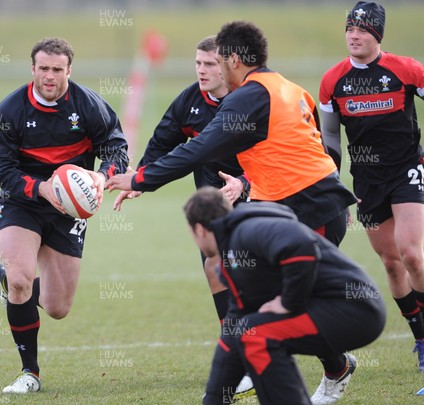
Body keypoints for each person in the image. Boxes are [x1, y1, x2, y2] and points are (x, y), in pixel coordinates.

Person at [106, 21, 359, 404]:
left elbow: (201, 148)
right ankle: (236, 384)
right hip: (284, 210)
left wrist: (139, 179)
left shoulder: (248, 96)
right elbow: (322, 147)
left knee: (287, 306)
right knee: (247, 293)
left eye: (218, 61)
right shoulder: (289, 88)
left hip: (311, 209)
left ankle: (330, 368)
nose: (214, 69)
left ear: (234, 60)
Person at [113, 35, 254, 399]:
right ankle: (241, 355)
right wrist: (139, 179)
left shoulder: (250, 100)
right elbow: (162, 143)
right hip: (212, 206)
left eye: (210, 64)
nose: (202, 71)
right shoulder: (189, 101)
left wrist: (243, 182)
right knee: (215, 268)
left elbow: (278, 152)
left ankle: (320, 348)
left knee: (255, 275)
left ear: (228, 65)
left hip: (262, 195)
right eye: (198, 63)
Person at [0, 37, 129, 394]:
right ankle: (29, 373)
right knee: (22, 279)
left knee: (57, 307)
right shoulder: (10, 111)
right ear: (32, 69)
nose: (49, 76)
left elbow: (116, 147)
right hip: (23, 202)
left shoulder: (88, 105)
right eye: (43, 69)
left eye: (57, 70)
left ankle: (11, 282)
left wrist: (100, 175)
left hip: (68, 209)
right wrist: (41, 189)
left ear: (69, 70)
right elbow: (1, 169)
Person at [183, 187, 386, 405]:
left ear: (199, 230)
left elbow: (302, 246)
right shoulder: (232, 252)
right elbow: (235, 328)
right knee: (249, 331)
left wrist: (288, 302)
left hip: (358, 309)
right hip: (351, 309)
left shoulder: (248, 230)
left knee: (257, 335)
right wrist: (213, 399)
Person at [319, 1, 424, 371]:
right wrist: (336, 193)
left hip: (408, 170)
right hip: (366, 181)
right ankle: (420, 338)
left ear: (377, 34)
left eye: (363, 29)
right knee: (393, 264)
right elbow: (330, 142)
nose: (354, 35)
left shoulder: (407, 70)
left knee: (412, 253)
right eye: (350, 28)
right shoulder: (333, 81)